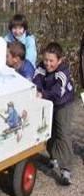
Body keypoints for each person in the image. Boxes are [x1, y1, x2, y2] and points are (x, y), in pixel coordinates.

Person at [33, 42, 74, 186]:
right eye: (46, 60)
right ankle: (54, 157)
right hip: (48, 102)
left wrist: (42, 94)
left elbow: (57, 93)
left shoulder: (63, 73)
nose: (48, 64)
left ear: (59, 60)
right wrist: (37, 90)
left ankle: (66, 168)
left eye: (51, 61)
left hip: (63, 104)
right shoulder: (41, 67)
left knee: (63, 133)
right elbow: (36, 80)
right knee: (48, 131)